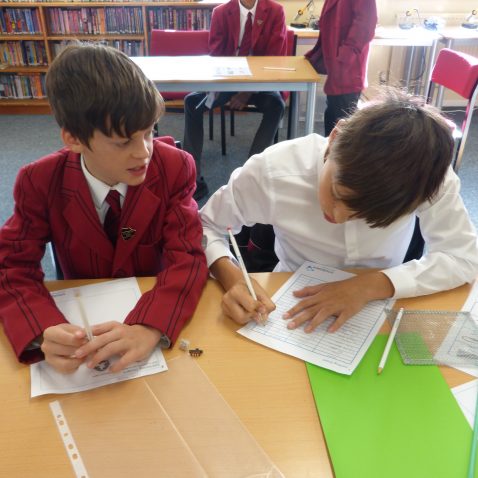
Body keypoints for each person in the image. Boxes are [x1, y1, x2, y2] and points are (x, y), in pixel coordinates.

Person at [0, 43, 208, 374]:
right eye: (123, 141)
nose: (143, 153)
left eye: (149, 133)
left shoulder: (174, 168)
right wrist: (41, 330)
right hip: (81, 320)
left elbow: (189, 258)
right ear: (74, 140)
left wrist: (151, 326)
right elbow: (10, 266)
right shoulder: (40, 181)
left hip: (146, 308)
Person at [199, 89, 478, 332]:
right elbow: (206, 225)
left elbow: (465, 257)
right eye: (336, 194)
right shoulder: (275, 171)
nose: (339, 217)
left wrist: (372, 285)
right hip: (291, 302)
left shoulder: (426, 179)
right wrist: (232, 277)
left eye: (363, 216)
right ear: (334, 138)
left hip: (383, 302)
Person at [183, 0, 287, 200]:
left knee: (277, 106)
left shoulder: (275, 11)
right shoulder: (221, 12)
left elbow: (274, 58)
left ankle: (250, 175)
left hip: (261, 82)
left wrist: (246, 92)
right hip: (227, 80)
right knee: (191, 103)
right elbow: (216, 54)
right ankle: (192, 178)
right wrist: (234, 87)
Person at [306, 0, 377, 136]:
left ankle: (336, 156)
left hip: (347, 68)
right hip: (337, 67)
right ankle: (328, 155)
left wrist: (343, 59)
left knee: (342, 126)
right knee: (333, 119)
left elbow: (365, 27)